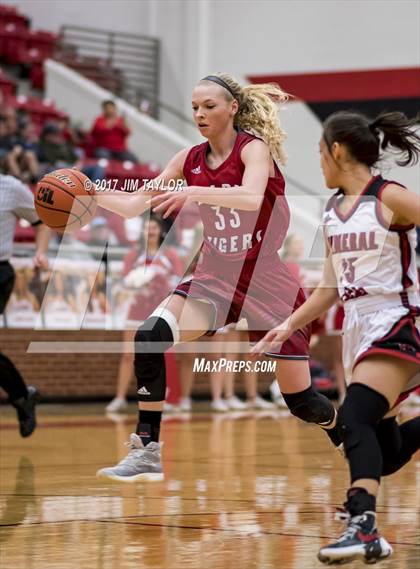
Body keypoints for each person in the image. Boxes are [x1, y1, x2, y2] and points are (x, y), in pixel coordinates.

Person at [94, 73, 341, 483]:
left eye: (209, 106)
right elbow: (136, 205)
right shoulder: (187, 158)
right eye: (194, 107)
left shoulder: (253, 150)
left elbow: (248, 196)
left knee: (303, 402)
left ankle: (345, 432)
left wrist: (192, 193)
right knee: (149, 336)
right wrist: (88, 191)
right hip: (215, 277)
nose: (199, 114)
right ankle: (147, 449)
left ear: (233, 109)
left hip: (267, 281)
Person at [252, 110, 420, 565]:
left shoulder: (390, 196)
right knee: (382, 457)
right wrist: (289, 324)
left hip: (395, 320)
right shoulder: (331, 212)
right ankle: (367, 526)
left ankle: (363, 527)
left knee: (353, 419)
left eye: (320, 153)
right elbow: (330, 289)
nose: (319, 162)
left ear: (337, 151)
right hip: (357, 327)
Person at [106, 214, 183, 413]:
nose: (150, 231)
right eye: (147, 228)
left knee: (161, 355)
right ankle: (120, 397)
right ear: (142, 231)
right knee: (127, 354)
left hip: (160, 311)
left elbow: (179, 281)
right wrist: (135, 281)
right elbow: (124, 281)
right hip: (136, 309)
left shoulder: (170, 254)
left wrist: (159, 279)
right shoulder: (133, 254)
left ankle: (164, 398)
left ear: (161, 231)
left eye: (154, 228)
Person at [0, 174, 50, 436]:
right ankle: (21, 396)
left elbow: (43, 221)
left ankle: (21, 396)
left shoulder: (11, 187)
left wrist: (40, 253)